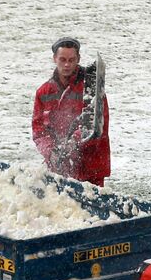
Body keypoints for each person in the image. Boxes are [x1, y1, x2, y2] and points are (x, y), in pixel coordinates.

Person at [31, 36, 111, 186]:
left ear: (78, 59)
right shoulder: (43, 92)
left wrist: (74, 143)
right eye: (62, 59)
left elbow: (99, 124)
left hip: (91, 168)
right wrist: (50, 152)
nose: (67, 64)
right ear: (54, 59)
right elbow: (39, 130)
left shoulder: (92, 88)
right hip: (58, 169)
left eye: (71, 60)